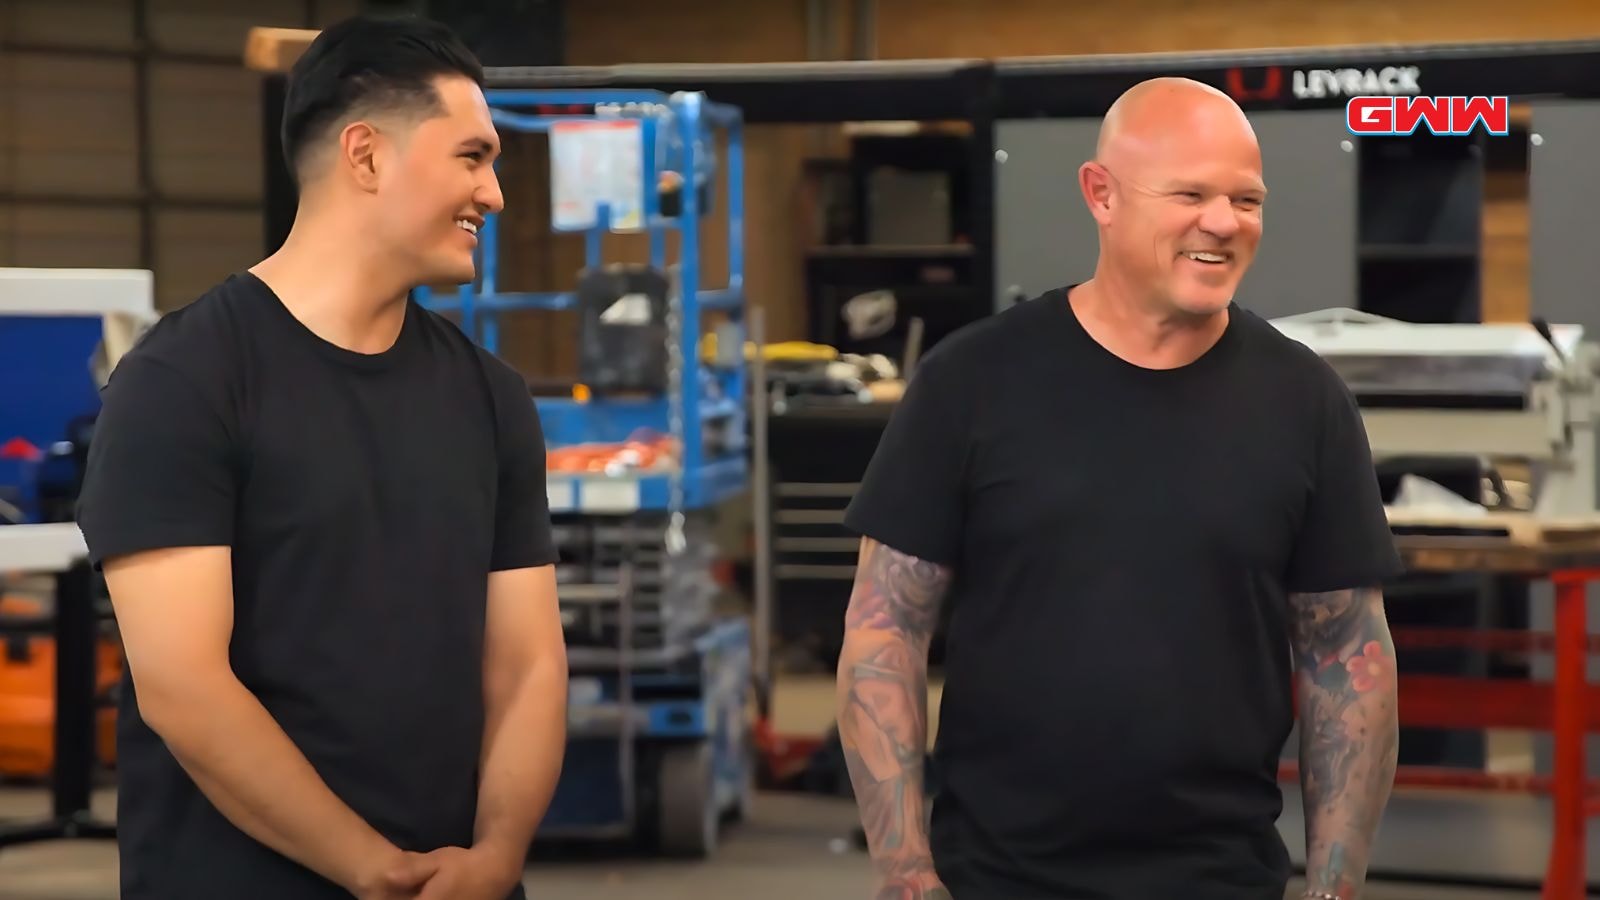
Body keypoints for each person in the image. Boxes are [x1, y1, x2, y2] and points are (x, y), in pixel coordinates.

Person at [836, 76, 1401, 900]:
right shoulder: (973, 383)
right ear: (1101, 195)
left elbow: (1347, 657)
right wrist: (909, 875)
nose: (1224, 222)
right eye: (1191, 194)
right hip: (999, 877)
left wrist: (1334, 887)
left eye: (1247, 199)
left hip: (1220, 878)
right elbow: (884, 632)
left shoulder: (1304, 401)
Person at [76, 13, 567, 900]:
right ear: (367, 155)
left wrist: (496, 856)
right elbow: (184, 685)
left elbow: (528, 662)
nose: (493, 194)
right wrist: (369, 869)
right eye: (472, 156)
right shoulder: (184, 382)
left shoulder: (491, 397)